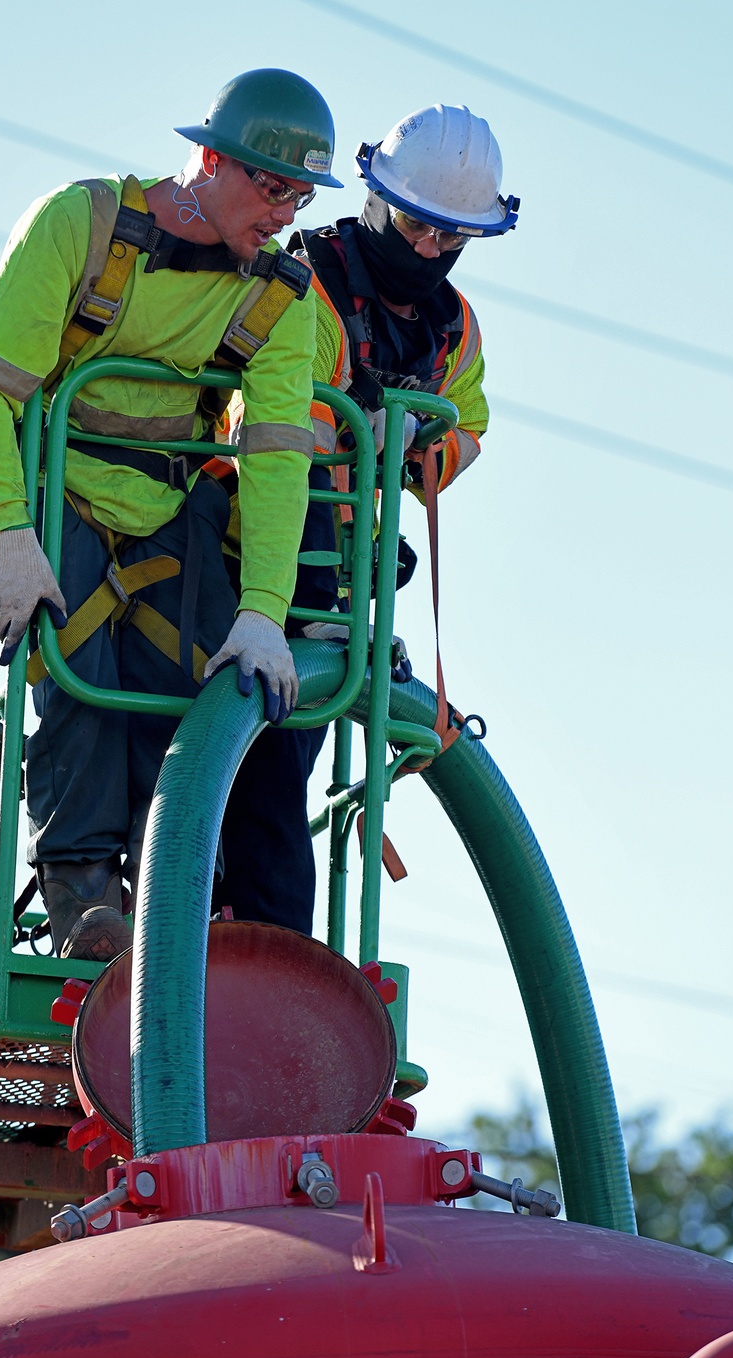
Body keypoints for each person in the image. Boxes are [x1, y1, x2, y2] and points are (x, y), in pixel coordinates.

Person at [0, 69, 342, 960]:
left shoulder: (278, 293)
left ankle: (166, 897)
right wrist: (10, 534)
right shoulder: (82, 225)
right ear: (208, 159)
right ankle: (85, 896)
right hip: (59, 488)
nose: (285, 212)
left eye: (300, 196)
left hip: (169, 506)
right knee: (79, 671)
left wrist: (265, 612)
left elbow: (279, 455)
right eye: (272, 186)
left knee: (189, 680)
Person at [211, 104, 519, 935]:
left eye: (451, 238)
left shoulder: (454, 331)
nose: (429, 249)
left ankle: (263, 942)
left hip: (341, 568)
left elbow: (472, 426)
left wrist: (420, 445)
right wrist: (362, 428)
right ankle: (225, 928)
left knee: (284, 767)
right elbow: (281, 438)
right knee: (240, 767)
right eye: (418, 225)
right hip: (238, 539)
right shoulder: (307, 283)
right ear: (378, 194)